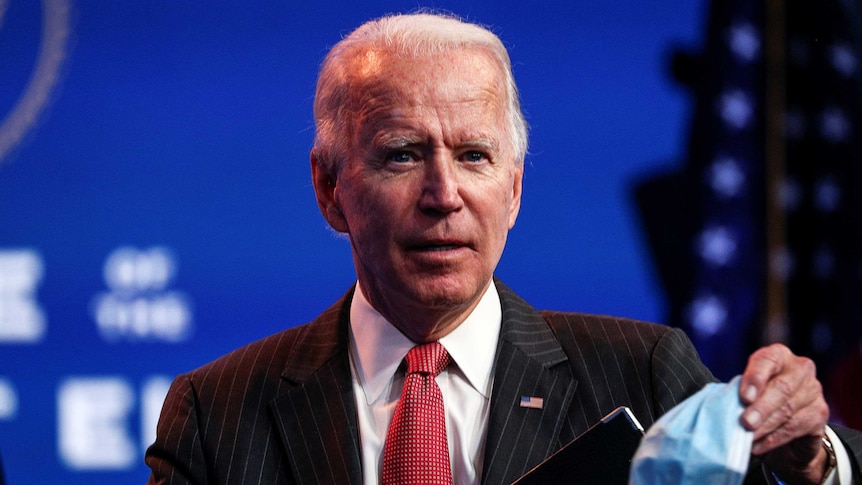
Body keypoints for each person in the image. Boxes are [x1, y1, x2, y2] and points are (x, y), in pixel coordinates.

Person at [144, 12, 862, 485]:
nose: (444, 193)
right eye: (401, 154)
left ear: (513, 190)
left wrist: (812, 460)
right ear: (330, 188)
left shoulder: (641, 373)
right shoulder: (216, 412)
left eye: (475, 156)